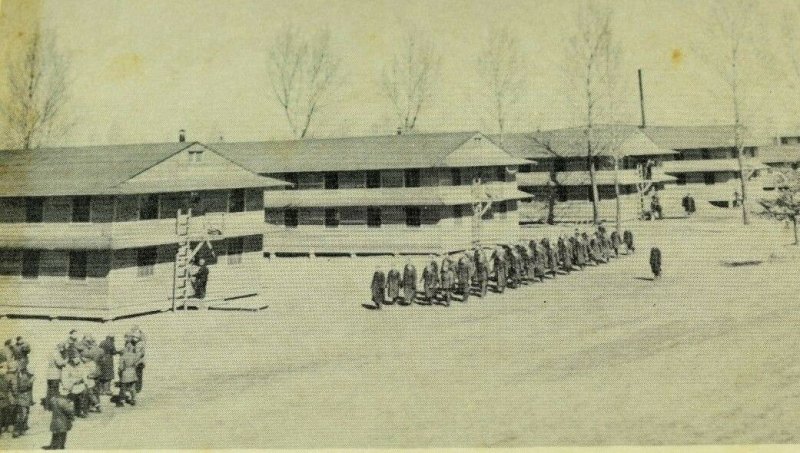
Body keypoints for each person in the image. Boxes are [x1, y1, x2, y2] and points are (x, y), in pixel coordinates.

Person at [11, 360, 33, 438]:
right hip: (22, 398)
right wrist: (30, 382)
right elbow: (22, 387)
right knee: (21, 414)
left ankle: (22, 429)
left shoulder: (26, 375)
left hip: (26, 397)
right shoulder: (20, 376)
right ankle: (17, 431)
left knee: (25, 413)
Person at [43, 343, 68, 411]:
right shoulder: (57, 354)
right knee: (54, 391)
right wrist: (66, 360)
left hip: (50, 375)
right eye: (63, 348)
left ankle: (47, 406)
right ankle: (53, 407)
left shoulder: (52, 353)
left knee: (49, 391)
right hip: (55, 375)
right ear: (61, 348)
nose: (63, 350)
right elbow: (59, 363)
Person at [117, 342, 139, 407]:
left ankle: (122, 401)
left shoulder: (123, 356)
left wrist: (119, 372)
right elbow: (136, 364)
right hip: (132, 372)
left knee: (123, 388)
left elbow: (121, 367)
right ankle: (133, 399)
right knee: (132, 388)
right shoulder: (134, 355)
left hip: (125, 373)